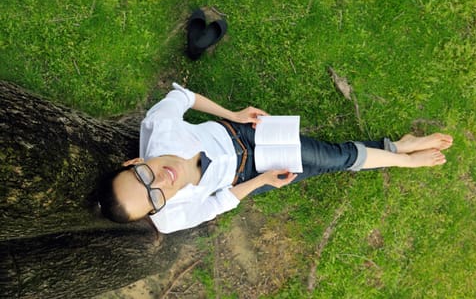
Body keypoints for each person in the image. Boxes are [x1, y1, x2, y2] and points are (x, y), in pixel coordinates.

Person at [99, 82, 453, 234]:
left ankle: (404, 157)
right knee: (318, 166)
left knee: (334, 158)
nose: (161, 181)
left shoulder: (158, 127)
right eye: (154, 197)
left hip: (245, 133)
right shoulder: (169, 219)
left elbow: (186, 97)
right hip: (248, 174)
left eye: (144, 177)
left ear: (133, 163)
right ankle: (396, 147)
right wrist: (262, 181)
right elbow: (218, 203)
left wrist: (234, 115)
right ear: (155, 212)